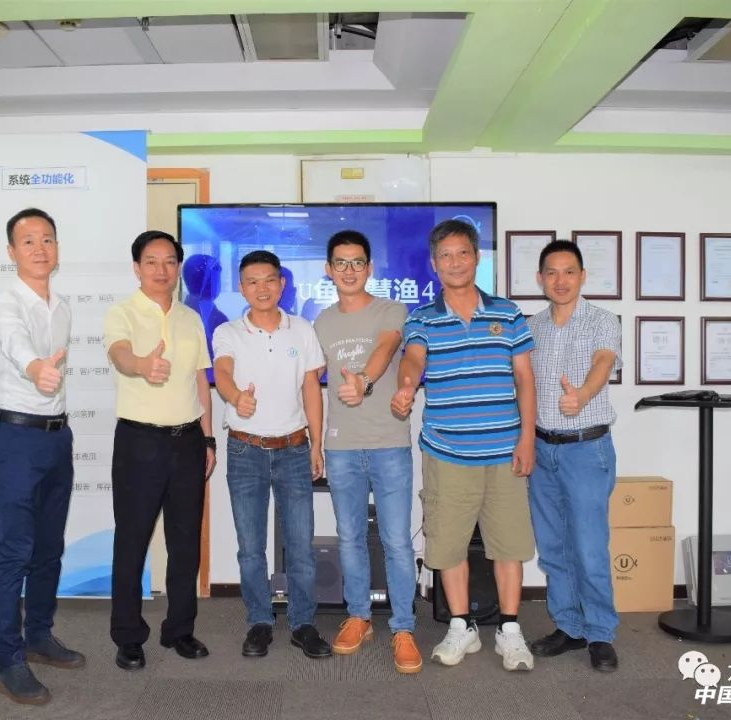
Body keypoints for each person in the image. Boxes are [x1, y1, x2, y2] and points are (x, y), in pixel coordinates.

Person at [391, 219, 537, 672]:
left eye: (463, 253)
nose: (454, 262)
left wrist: (527, 438)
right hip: (447, 454)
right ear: (434, 265)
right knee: (448, 546)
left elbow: (525, 379)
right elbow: (413, 359)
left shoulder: (507, 313)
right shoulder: (422, 317)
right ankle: (461, 626)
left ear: (476, 258)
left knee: (508, 546)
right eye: (445, 255)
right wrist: (406, 385)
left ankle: (509, 630)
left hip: (504, 452)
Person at [104, 230, 216, 671]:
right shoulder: (122, 312)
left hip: (188, 441)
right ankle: (128, 636)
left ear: (179, 268)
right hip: (140, 442)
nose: (161, 270)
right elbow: (119, 354)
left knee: (185, 543)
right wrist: (142, 365)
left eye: (170, 261)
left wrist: (208, 438)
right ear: (137, 268)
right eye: (151, 261)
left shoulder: (190, 317)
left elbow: (200, 380)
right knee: (132, 542)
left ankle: (180, 630)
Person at [211, 250, 331, 660]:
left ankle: (302, 623)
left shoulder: (303, 330)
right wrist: (235, 397)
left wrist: (317, 443)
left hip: (294, 449)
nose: (261, 288)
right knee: (250, 547)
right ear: (241, 288)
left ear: (282, 284)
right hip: (245, 449)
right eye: (252, 281)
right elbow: (222, 372)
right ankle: (259, 621)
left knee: (300, 545)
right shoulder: (228, 331)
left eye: (269, 280)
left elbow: (311, 388)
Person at [0, 207, 84, 705]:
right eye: (28, 241)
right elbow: (15, 342)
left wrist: (50, 379)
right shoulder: (4, 302)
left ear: (57, 248)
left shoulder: (62, 307)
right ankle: (9, 661)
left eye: (47, 239)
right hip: (16, 439)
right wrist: (34, 369)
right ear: (12, 252)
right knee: (15, 552)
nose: (40, 248)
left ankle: (39, 636)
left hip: (56, 438)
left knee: (49, 548)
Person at [313, 230, 422, 674]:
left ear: (369, 268)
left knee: (396, 541)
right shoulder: (321, 322)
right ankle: (358, 616)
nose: (349, 270)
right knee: (350, 538)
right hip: (341, 445)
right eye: (341, 263)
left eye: (357, 262)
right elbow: (308, 381)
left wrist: (362, 381)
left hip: (388, 442)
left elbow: (385, 347)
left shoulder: (391, 310)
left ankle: (403, 627)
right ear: (328, 270)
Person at [526, 239, 621, 672]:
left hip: (586, 449)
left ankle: (600, 633)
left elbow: (603, 362)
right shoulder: (532, 327)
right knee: (553, 547)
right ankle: (569, 626)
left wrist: (581, 395)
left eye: (569, 272)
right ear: (540, 279)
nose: (560, 280)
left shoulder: (602, 320)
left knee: (589, 547)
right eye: (552, 272)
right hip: (542, 449)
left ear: (582, 276)